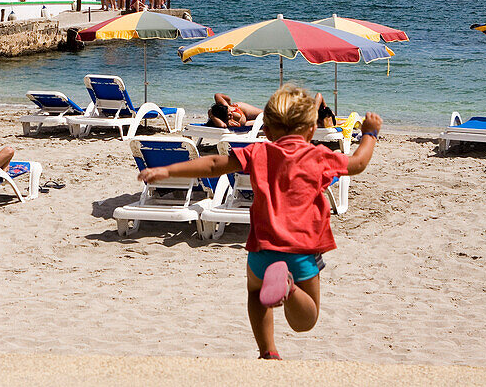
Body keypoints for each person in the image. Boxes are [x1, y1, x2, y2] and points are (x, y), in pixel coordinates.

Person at [137, 84, 380, 360]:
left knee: (255, 293)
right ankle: (288, 288)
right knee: (305, 319)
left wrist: (167, 170)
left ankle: (267, 351)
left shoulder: (258, 152)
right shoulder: (319, 157)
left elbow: (214, 164)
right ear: (311, 131)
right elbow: (358, 163)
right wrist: (370, 133)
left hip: (262, 250)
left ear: (269, 130)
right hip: (300, 251)